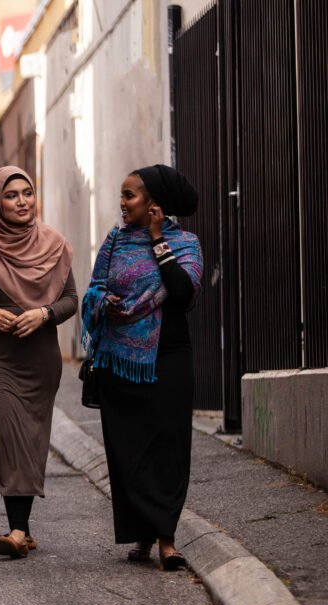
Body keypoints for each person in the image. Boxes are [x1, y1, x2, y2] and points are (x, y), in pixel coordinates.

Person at [0, 167, 77, 559]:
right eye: (12, 195)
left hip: (40, 357)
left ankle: (21, 528)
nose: (22, 201)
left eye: (28, 193)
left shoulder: (54, 244)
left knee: (33, 439)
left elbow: (72, 299)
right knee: (8, 435)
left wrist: (44, 315)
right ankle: (18, 529)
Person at [81, 164, 203, 570]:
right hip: (120, 360)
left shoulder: (185, 242)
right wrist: (103, 303)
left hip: (168, 357)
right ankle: (144, 534)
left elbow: (184, 293)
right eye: (121, 194)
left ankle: (167, 539)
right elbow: (93, 288)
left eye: (130, 195)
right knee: (128, 454)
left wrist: (156, 241)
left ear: (154, 204)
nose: (122, 203)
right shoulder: (115, 241)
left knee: (168, 449)